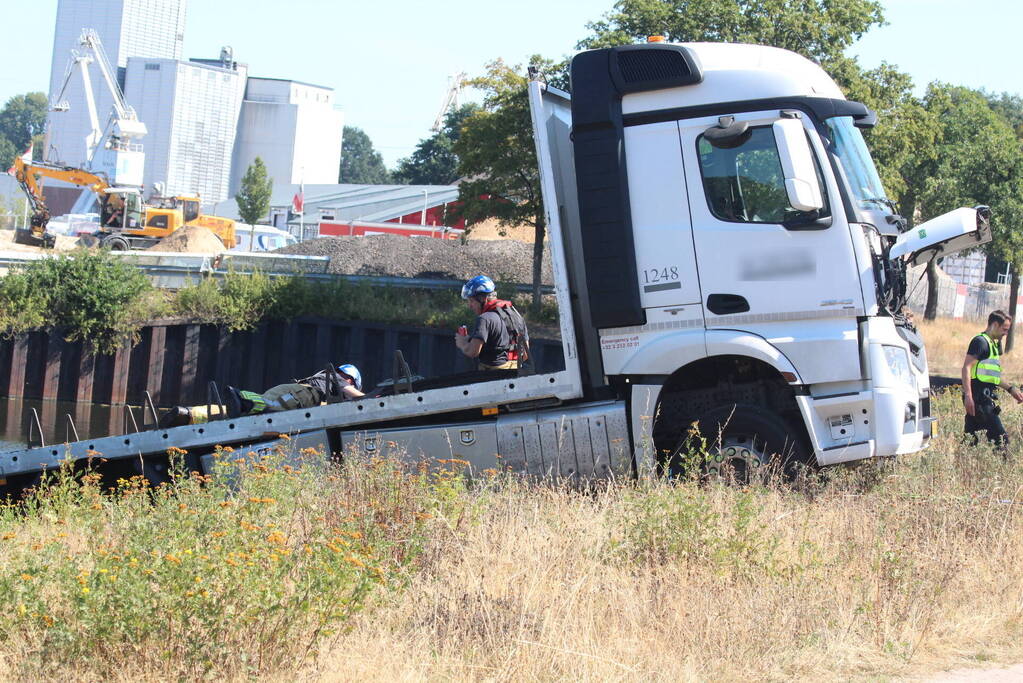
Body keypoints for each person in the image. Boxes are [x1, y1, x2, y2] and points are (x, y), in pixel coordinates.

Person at [159, 363, 364, 427]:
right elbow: (356, 397)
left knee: (242, 415)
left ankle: (190, 414)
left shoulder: (325, 385)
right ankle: (242, 398)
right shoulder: (334, 378)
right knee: (266, 408)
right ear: (350, 379)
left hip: (288, 392)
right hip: (300, 395)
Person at [962, 310, 1023, 447]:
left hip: (983, 398)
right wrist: (968, 396)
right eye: (1004, 329)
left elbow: (992, 377)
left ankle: (963, 465)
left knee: (970, 442)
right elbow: (966, 368)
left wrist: (1011, 389)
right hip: (978, 399)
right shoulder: (980, 342)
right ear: (995, 324)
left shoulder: (993, 345)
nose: (1006, 333)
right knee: (1002, 441)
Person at [455, 275, 530, 371]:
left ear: (483, 299)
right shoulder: (516, 315)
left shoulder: (484, 319)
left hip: (492, 377)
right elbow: (525, 354)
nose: (470, 306)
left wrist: (463, 343)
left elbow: (472, 352)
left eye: (471, 301)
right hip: (515, 374)